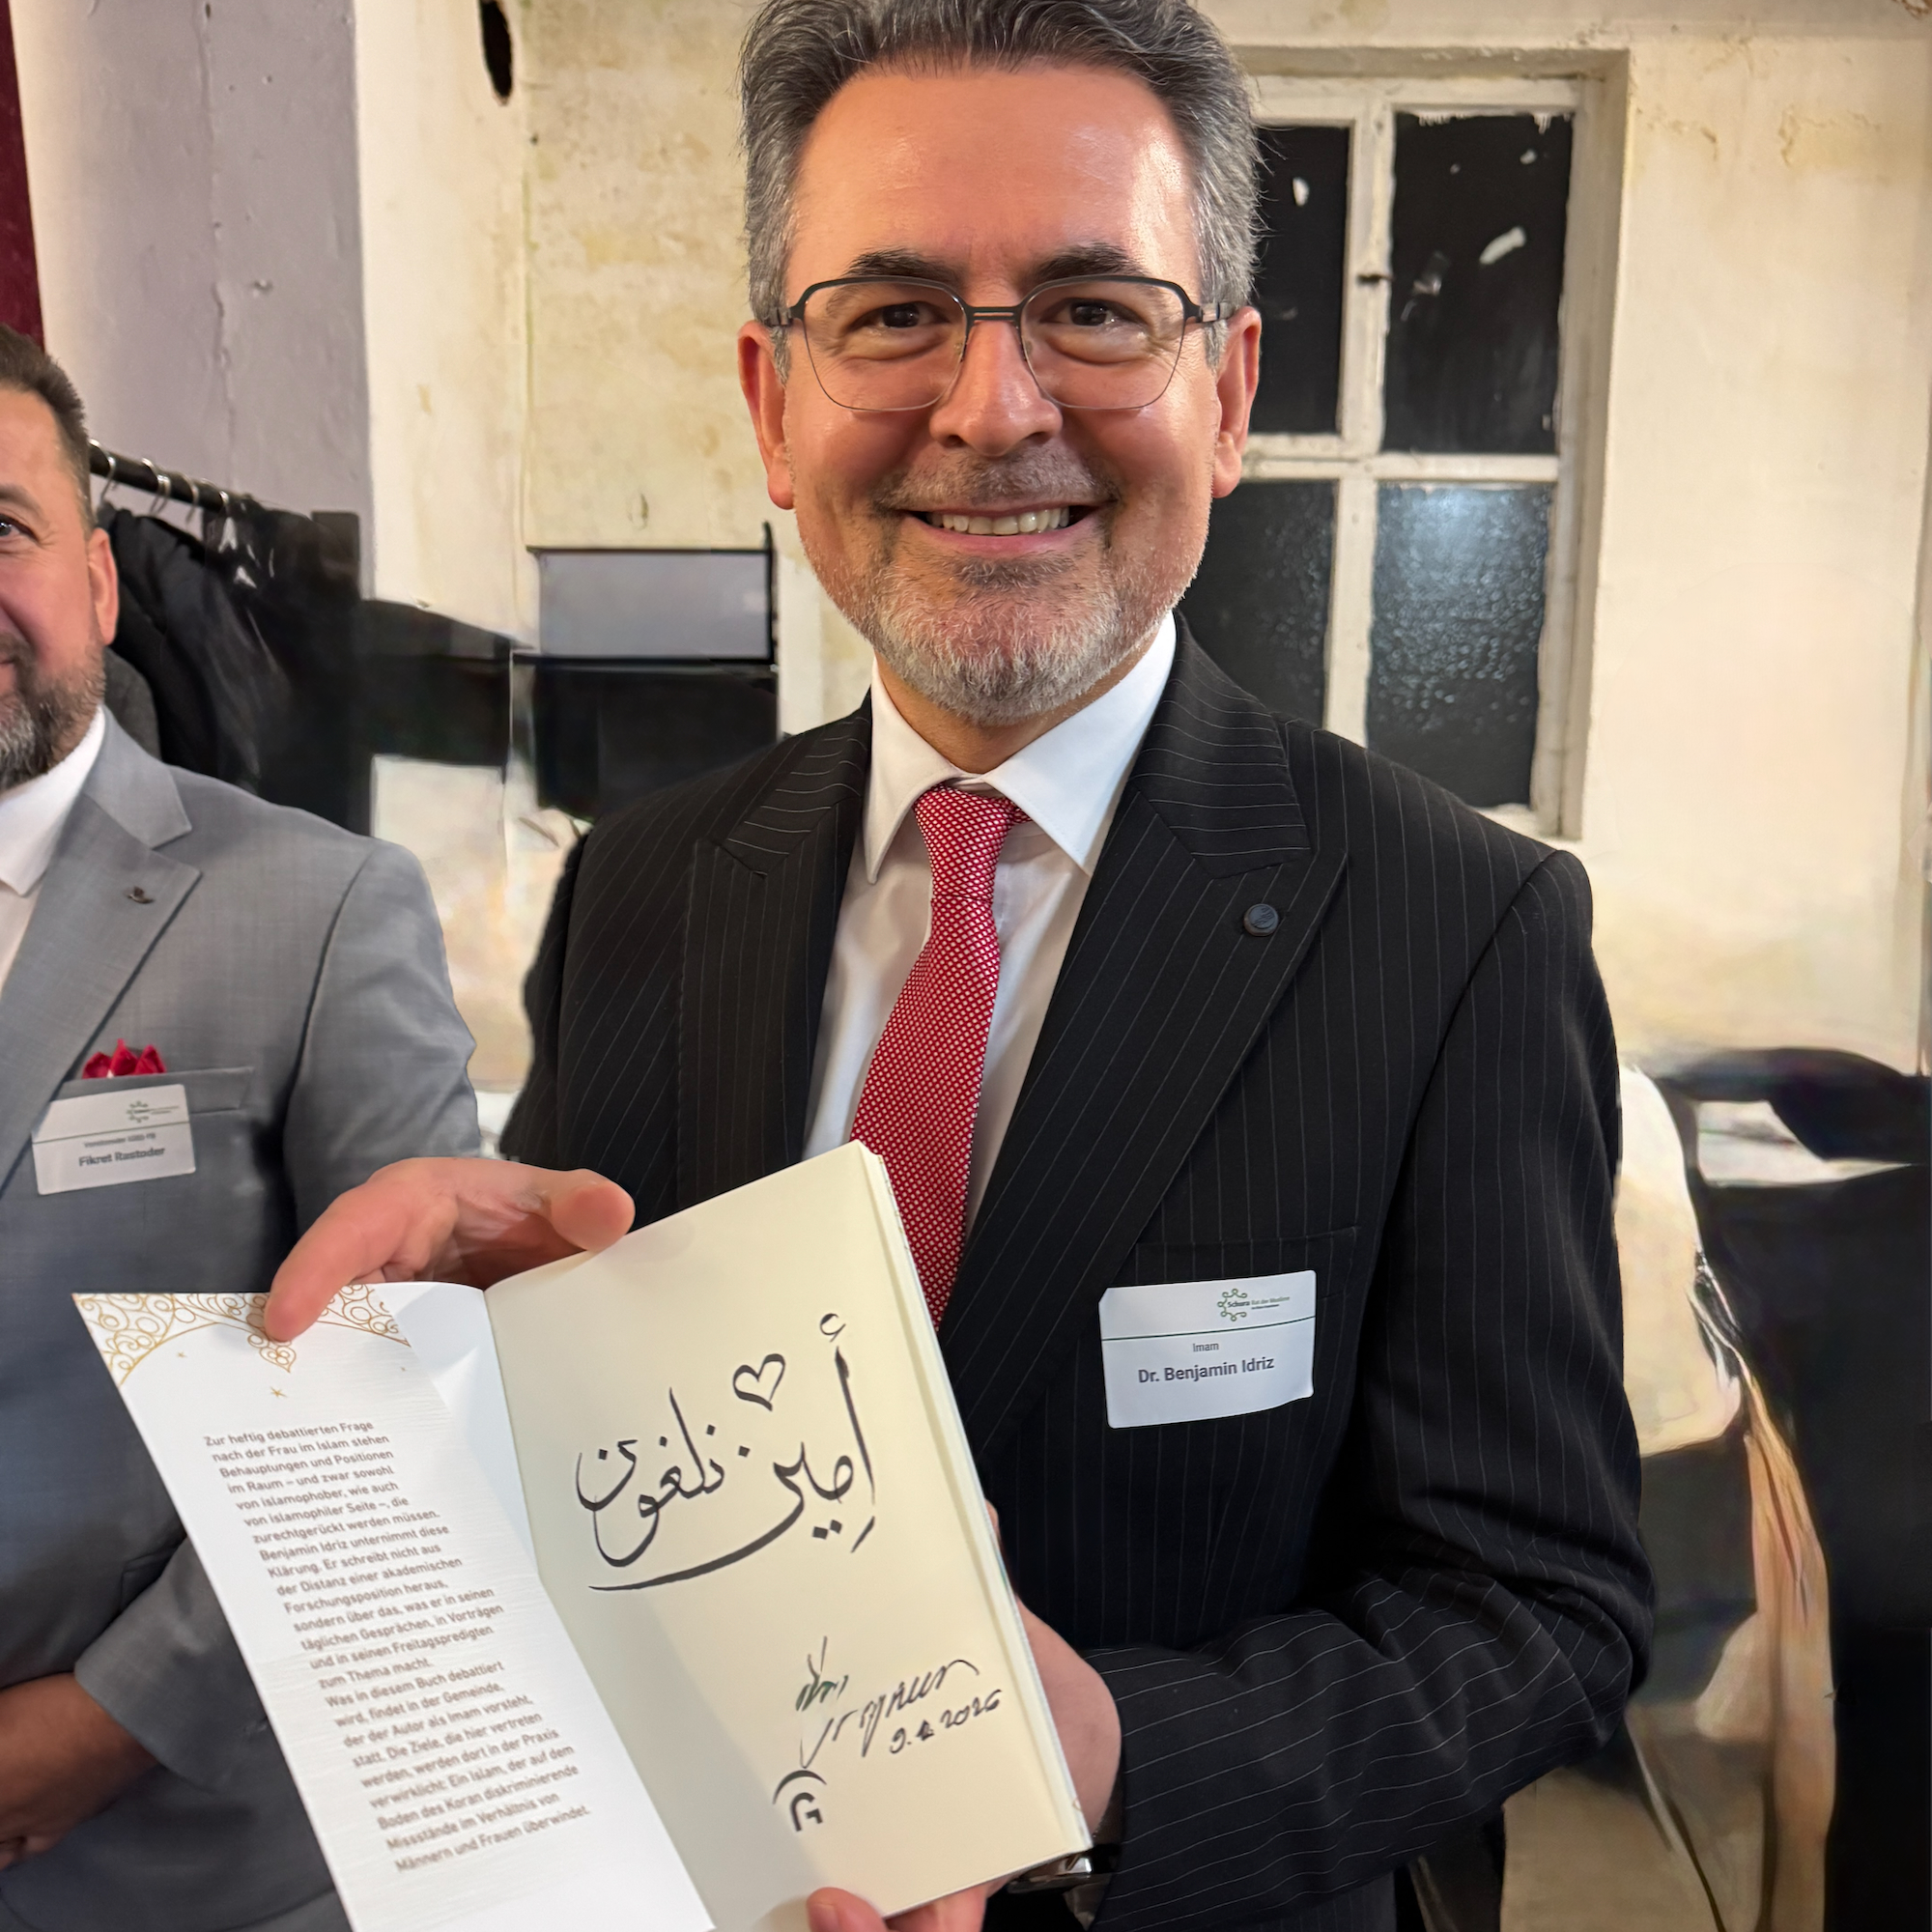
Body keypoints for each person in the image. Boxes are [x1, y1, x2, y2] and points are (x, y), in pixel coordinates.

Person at [267, 4, 1652, 1928]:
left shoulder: (1456, 927)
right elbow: (617, 1473)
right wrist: (467, 1354)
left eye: (1093, 310)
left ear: (1230, 390)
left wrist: (1119, 1757)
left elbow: (1540, 1609)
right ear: (773, 403)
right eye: (895, 312)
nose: (993, 409)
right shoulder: (646, 887)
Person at [0, 327, 478, 1932]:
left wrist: (109, 1723)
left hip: (188, 1859)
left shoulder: (319, 906)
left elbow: (408, 1372)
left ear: (100, 581)